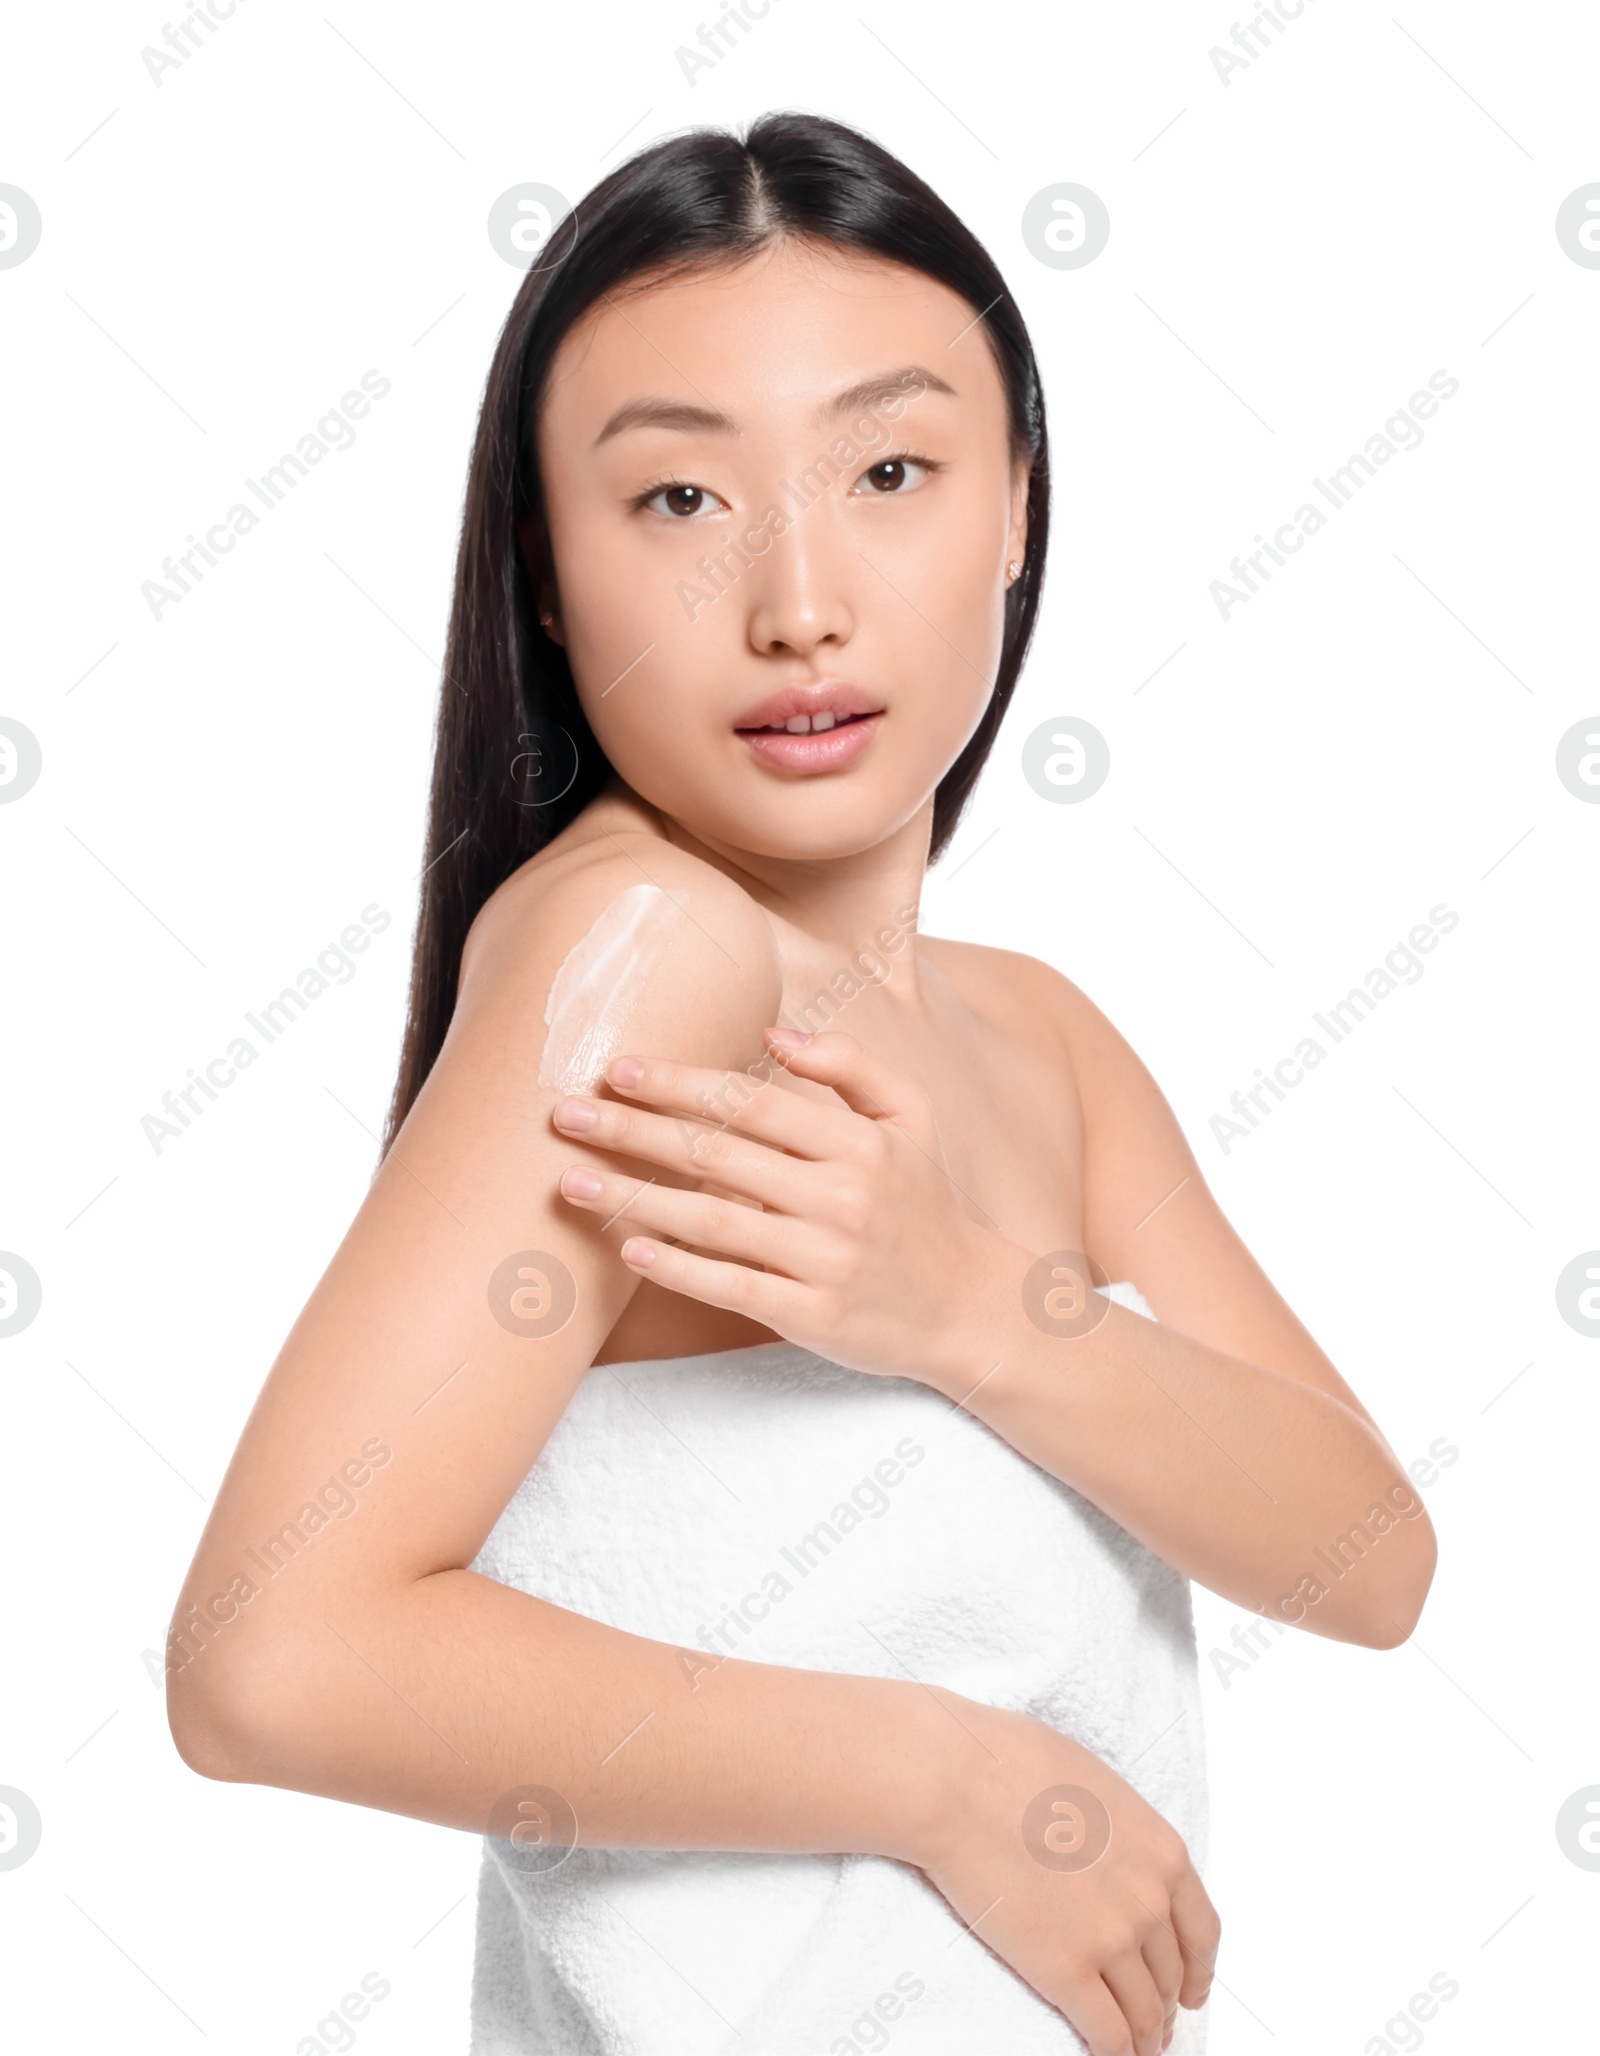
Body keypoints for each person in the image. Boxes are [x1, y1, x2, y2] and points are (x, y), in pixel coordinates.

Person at [166, 111, 1437, 2056]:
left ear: (1014, 500)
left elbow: (1366, 1559)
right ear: (544, 562)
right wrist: (947, 1777)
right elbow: (273, 1654)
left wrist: (960, 1306)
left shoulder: (1037, 1035)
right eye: (677, 500)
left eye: (891, 469)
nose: (797, 602)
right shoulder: (649, 955)